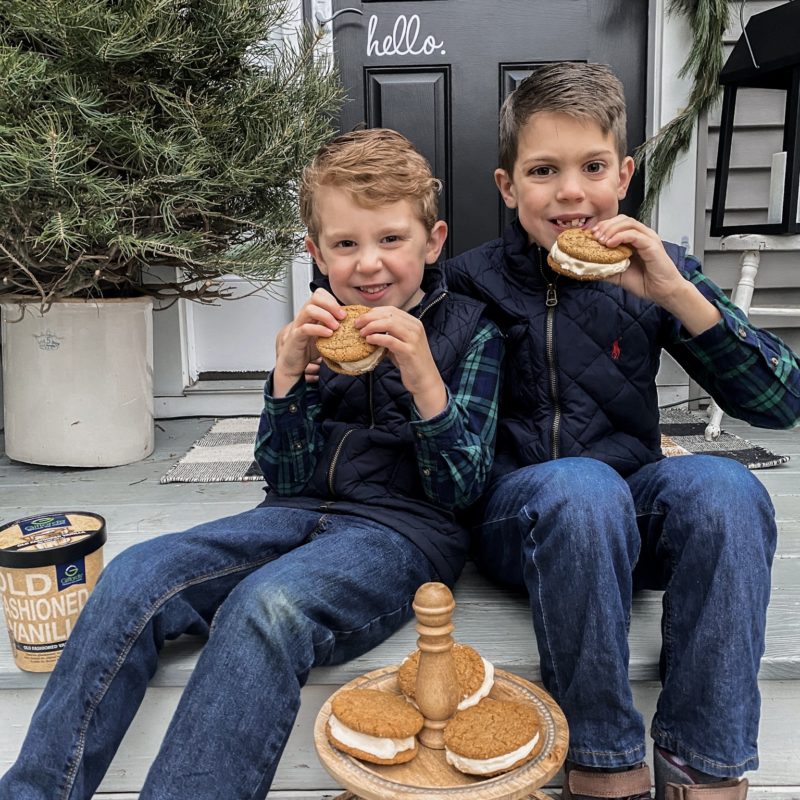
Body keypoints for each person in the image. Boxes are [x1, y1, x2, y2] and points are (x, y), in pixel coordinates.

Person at [0, 128, 503, 800]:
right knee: (133, 574)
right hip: (294, 513)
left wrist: (424, 380)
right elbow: (283, 477)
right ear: (315, 252)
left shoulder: (472, 330)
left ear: (432, 241)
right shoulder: (321, 329)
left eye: (390, 240)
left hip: (402, 535)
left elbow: (460, 489)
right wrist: (288, 378)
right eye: (345, 244)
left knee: (265, 604)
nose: (369, 264)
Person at [444, 62, 800, 800]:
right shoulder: (469, 282)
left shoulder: (656, 270)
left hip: (631, 512)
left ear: (624, 176)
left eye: (592, 166)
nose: (571, 191)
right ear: (508, 187)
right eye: (544, 170)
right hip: (524, 520)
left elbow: (782, 401)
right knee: (580, 486)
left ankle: (704, 762)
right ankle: (604, 761)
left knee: (727, 487)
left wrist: (676, 292)